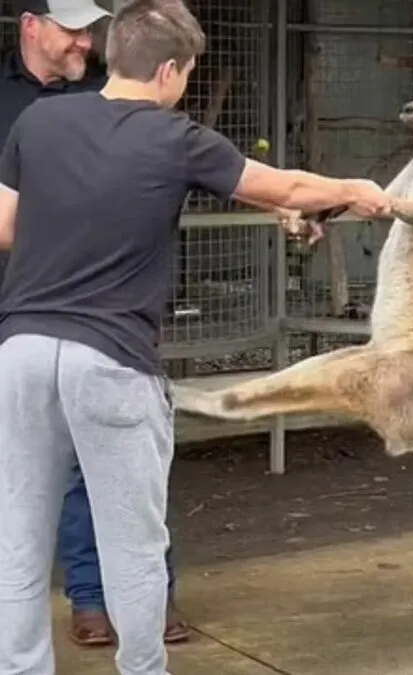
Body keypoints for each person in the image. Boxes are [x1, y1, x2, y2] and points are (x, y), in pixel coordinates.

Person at [0, 0, 392, 672]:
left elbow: (5, 227)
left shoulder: (40, 120)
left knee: (19, 537)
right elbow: (287, 185)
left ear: (112, 50)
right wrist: (357, 188)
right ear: (171, 71)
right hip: (112, 358)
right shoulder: (175, 136)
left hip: (21, 350)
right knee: (134, 544)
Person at [0, 0, 192, 648]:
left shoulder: (100, 99)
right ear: (32, 26)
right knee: (26, 498)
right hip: (26, 312)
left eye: (92, 29)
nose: (85, 39)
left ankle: (101, 597)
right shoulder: (20, 109)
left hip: (91, 317)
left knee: (101, 473)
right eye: (73, 28)